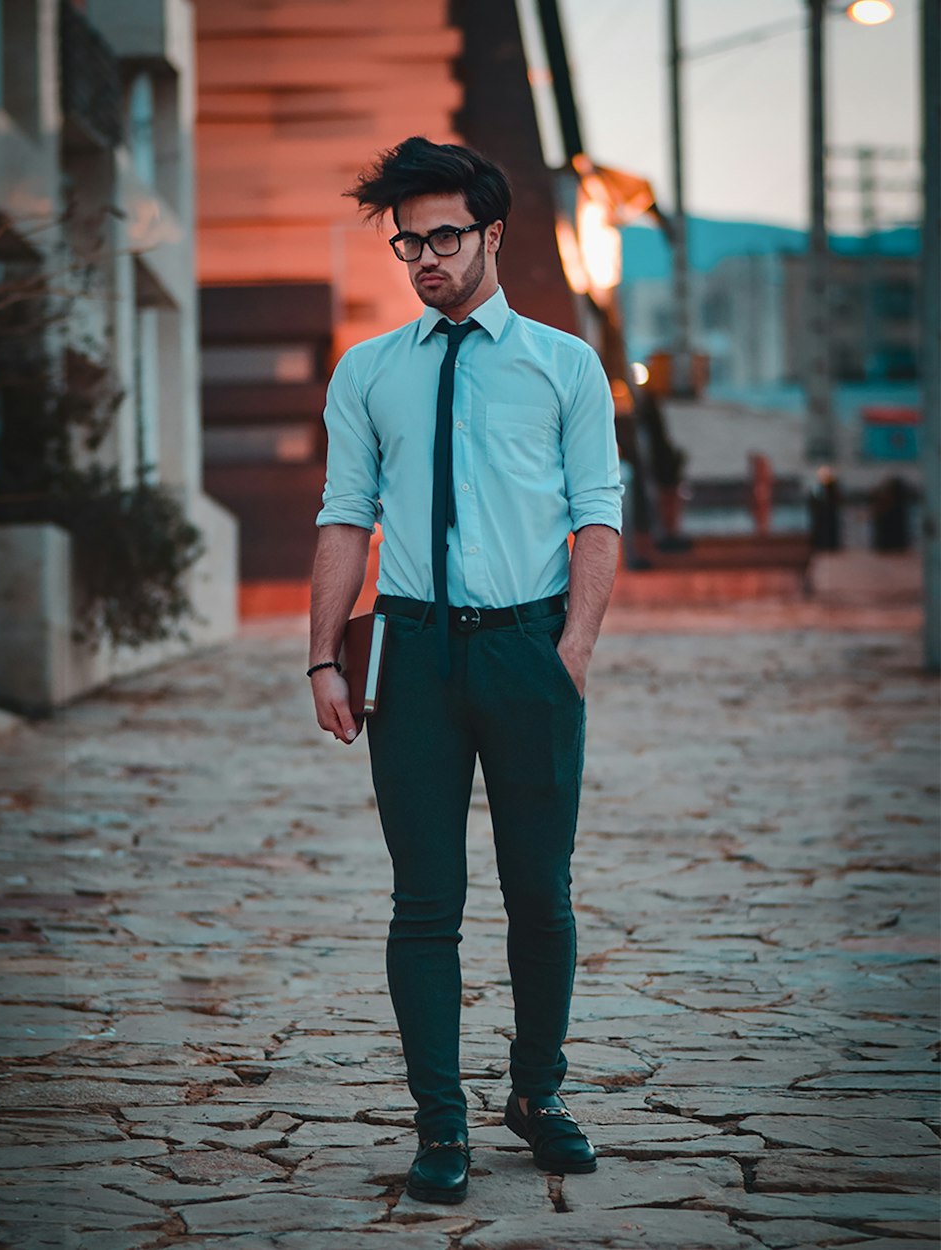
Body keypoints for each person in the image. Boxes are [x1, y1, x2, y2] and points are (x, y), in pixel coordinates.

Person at [307, 136, 622, 1205]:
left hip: (529, 646)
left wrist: (570, 649)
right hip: (415, 653)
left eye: (443, 235)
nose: (425, 257)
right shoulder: (371, 371)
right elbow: (345, 516)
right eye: (408, 240)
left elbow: (597, 515)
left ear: (492, 232)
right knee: (423, 899)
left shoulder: (562, 365)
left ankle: (538, 1092)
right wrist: (321, 657)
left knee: (540, 892)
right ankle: (439, 1120)